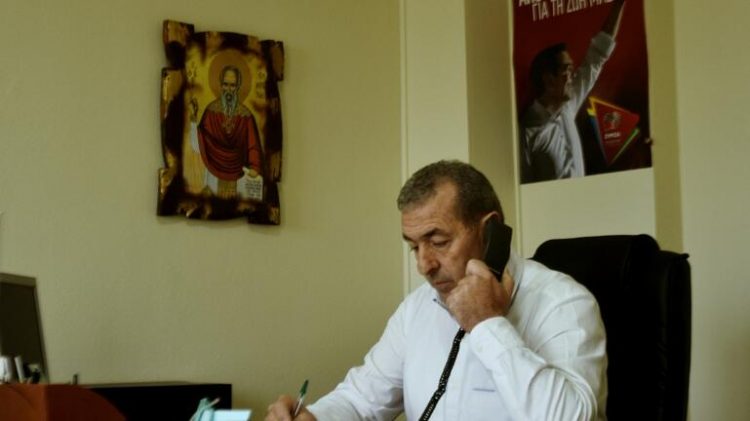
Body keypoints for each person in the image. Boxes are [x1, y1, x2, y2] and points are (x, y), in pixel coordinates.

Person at [266, 160, 607, 420]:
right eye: (414, 247)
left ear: (491, 231)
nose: (424, 265)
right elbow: (360, 400)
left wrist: (488, 324)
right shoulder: (417, 308)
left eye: (439, 241)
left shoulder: (563, 302)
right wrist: (315, 417)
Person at [521, 0, 625, 183]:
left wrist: (618, 5)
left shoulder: (567, 106)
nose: (572, 75)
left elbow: (597, 57)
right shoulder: (526, 133)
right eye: (567, 70)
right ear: (548, 79)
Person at [197, 65, 264, 198]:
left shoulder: (246, 115)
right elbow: (200, 139)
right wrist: (193, 121)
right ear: (221, 86)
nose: (228, 89)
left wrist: (255, 167)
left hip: (239, 173)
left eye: (232, 85)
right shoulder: (210, 111)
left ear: (238, 87)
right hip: (213, 170)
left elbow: (253, 145)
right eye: (225, 84)